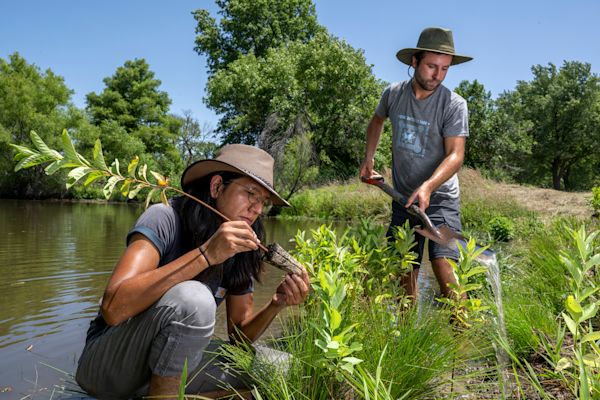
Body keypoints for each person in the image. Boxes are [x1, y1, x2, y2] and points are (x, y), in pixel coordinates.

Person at [75, 144, 310, 399]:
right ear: (217, 186)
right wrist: (206, 255)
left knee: (289, 370)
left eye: (263, 201)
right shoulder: (164, 218)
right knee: (194, 299)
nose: (257, 209)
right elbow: (113, 308)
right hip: (109, 366)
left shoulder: (244, 245)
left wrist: (277, 304)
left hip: (169, 362)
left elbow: (239, 338)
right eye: (250, 193)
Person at [359, 27, 472, 301]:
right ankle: (406, 340)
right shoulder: (394, 95)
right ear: (415, 62)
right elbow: (377, 121)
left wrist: (429, 186)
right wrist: (369, 158)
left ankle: (464, 336)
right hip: (403, 200)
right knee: (402, 272)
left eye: (445, 68)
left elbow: (456, 155)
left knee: (444, 267)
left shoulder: (454, 104)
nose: (438, 75)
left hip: (441, 199)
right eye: (432, 66)